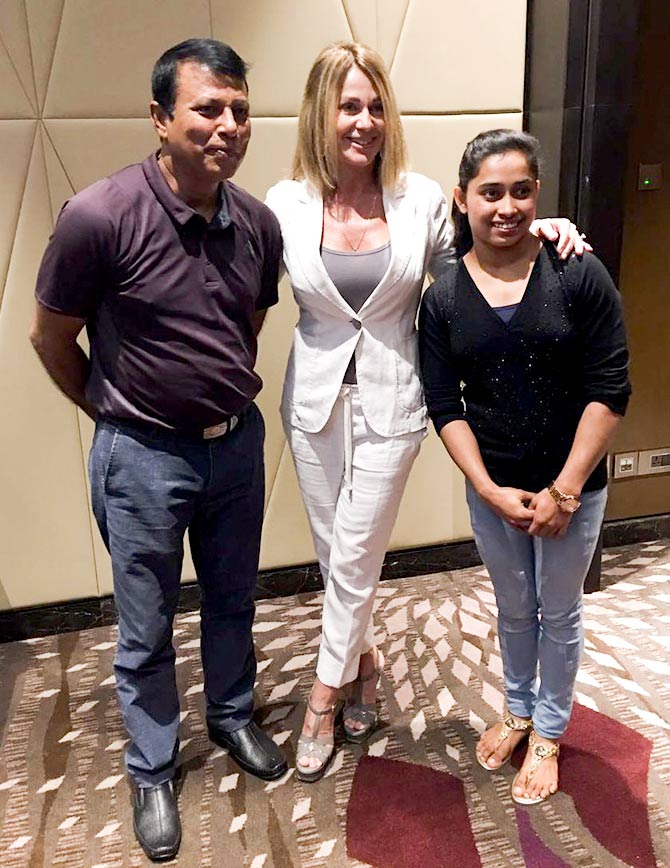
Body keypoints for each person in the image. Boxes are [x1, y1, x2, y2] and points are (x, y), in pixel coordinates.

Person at [265, 43, 590, 783]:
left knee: (354, 553)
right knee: (336, 555)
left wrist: (547, 230)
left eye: (376, 105)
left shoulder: (418, 200)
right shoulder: (284, 205)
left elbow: (486, 249)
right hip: (313, 400)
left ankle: (321, 698)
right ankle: (366, 667)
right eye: (350, 105)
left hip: (394, 399)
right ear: (322, 111)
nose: (365, 120)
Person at [29, 38, 288, 861]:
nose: (228, 126)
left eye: (239, 109)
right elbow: (51, 337)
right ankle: (150, 766)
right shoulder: (99, 216)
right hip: (139, 456)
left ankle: (233, 715)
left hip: (234, 450)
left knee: (233, 599)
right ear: (160, 119)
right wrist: (116, 413)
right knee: (144, 628)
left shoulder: (257, 224)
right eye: (208, 108)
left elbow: (244, 331)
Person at [419, 129, 630, 804]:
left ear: (537, 194)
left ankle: (549, 732)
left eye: (519, 190)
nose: (505, 206)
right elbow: (442, 402)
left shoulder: (576, 271)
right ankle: (517, 710)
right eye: (489, 192)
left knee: (559, 611)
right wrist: (486, 490)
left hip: (574, 487)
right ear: (462, 200)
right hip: (495, 489)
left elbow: (611, 387)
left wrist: (564, 493)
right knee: (514, 609)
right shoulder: (444, 296)